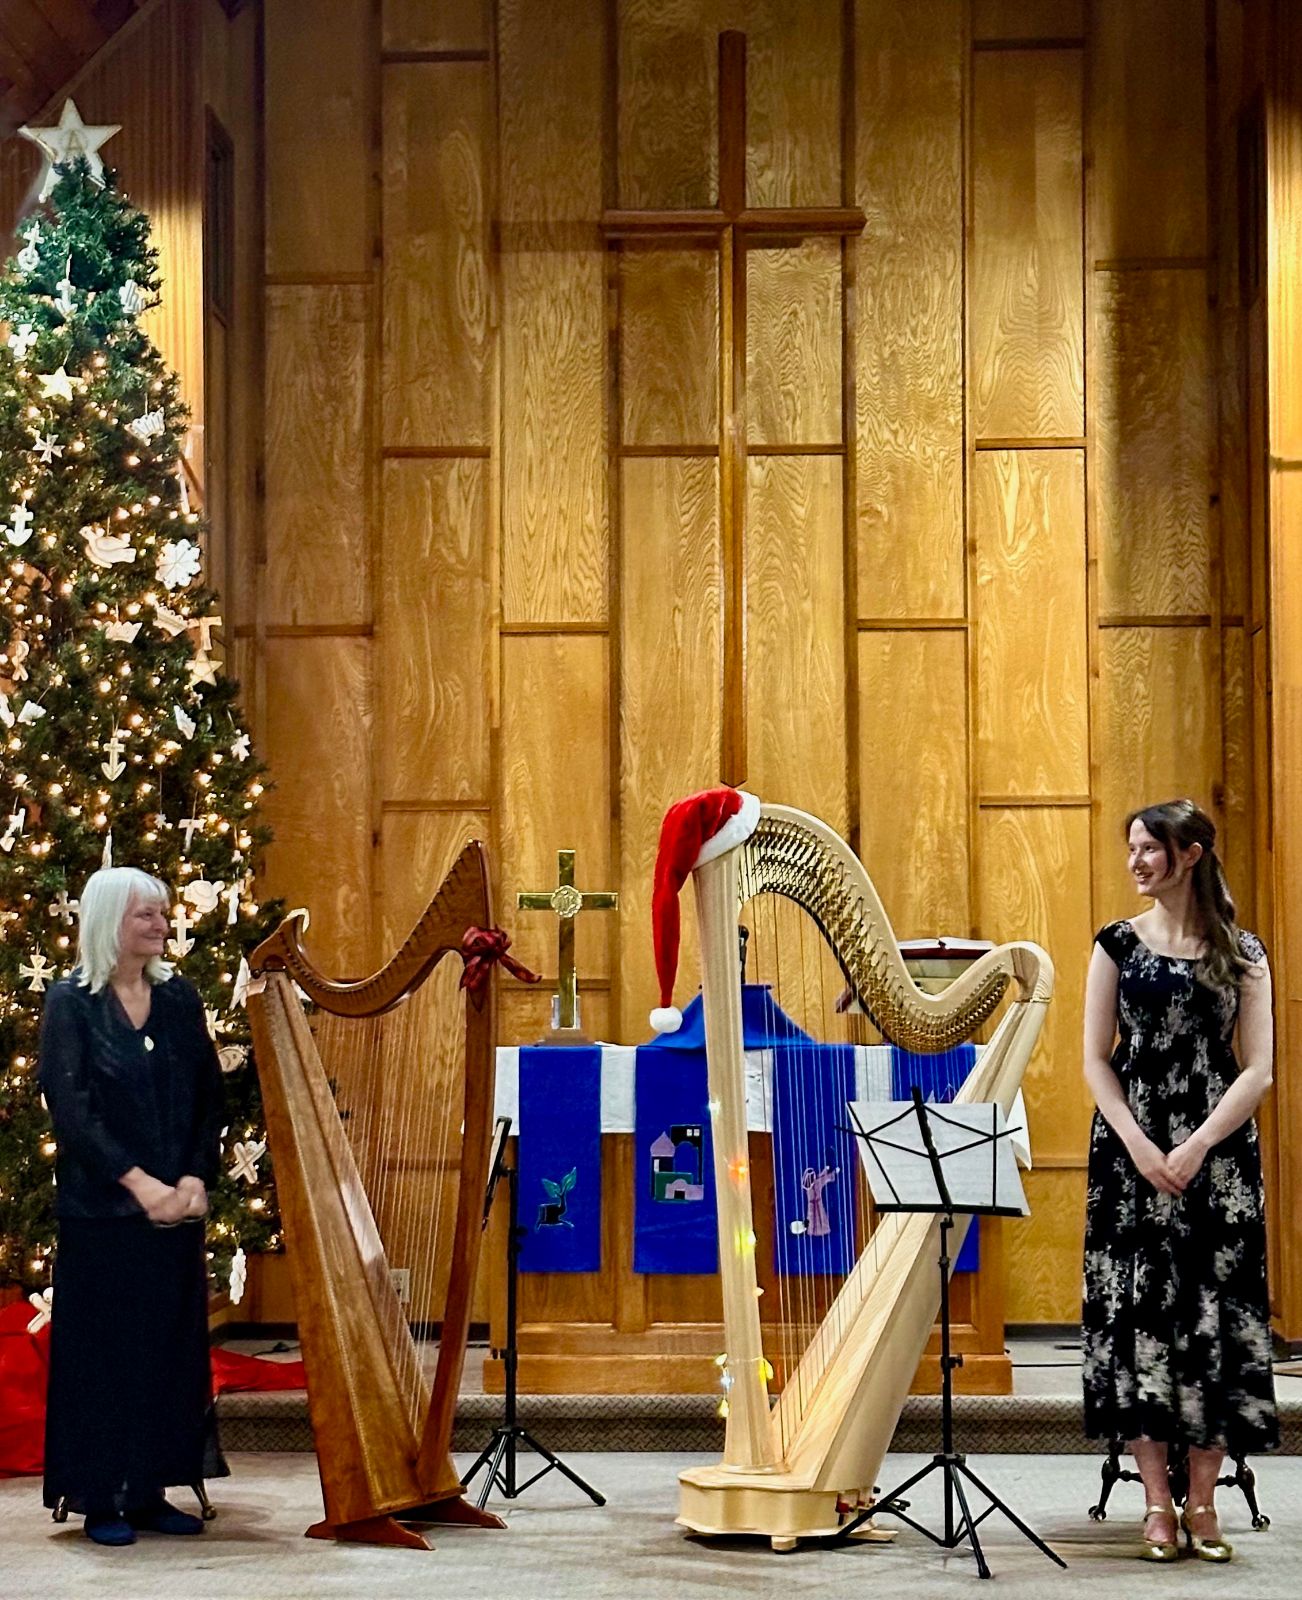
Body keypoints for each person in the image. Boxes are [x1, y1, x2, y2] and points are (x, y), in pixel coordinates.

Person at [1082, 800, 1277, 1564]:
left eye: (1149, 850)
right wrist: (1138, 1143)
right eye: (1130, 849)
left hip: (1217, 1154)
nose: (1135, 862)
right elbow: (1097, 1057)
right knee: (1141, 1319)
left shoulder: (1244, 950)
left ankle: (1204, 1503)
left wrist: (1194, 1146)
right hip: (1129, 1155)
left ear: (1190, 854)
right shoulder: (1116, 945)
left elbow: (1257, 1068)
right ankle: (1156, 1504)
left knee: (1214, 1319)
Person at [38, 866, 227, 1546]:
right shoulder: (72, 1001)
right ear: (110, 920)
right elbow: (73, 1108)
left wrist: (196, 1178)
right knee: (106, 1356)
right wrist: (139, 1183)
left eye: (163, 912)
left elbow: (209, 1098)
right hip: (102, 1213)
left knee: (166, 1354)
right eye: (146, 913)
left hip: (175, 1210)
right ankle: (101, 1497)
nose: (161, 923)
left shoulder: (179, 999)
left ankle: (149, 1488)